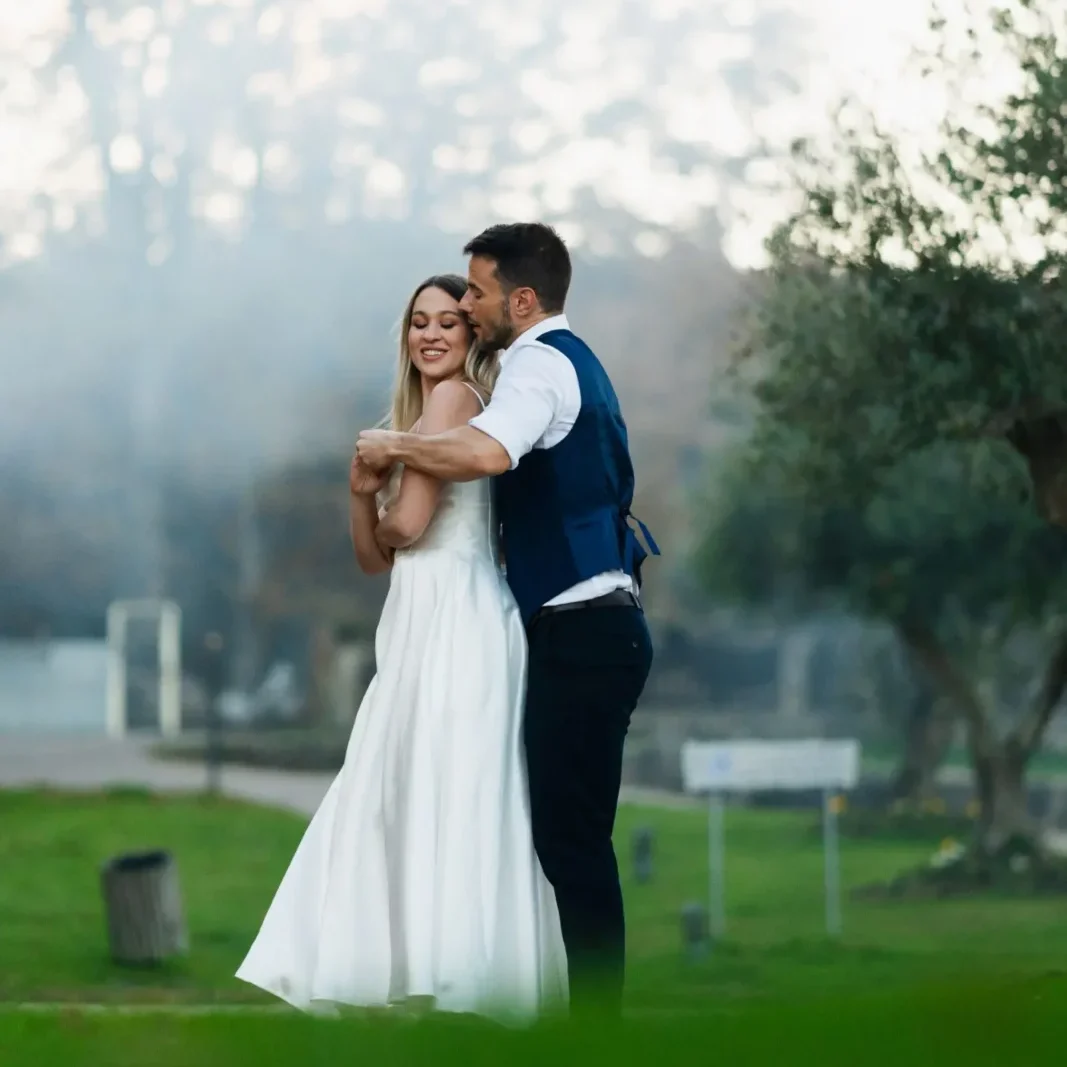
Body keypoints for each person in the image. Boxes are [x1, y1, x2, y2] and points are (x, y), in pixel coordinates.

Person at [236, 274, 568, 1022]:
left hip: (456, 618)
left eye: (449, 322)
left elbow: (408, 527)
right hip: (422, 618)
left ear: (473, 335)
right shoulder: (408, 418)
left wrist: (374, 489)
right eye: (418, 322)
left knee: (421, 787)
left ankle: (434, 981)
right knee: (425, 789)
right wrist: (362, 493)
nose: (430, 335)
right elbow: (373, 558)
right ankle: (438, 980)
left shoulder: (453, 404)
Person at [356, 223, 658, 1016]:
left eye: (478, 293)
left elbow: (486, 455)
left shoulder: (538, 368)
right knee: (564, 836)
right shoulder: (563, 363)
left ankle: (595, 1028)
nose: (468, 306)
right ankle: (577, 1017)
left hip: (585, 629)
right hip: (584, 628)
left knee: (572, 841)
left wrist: (387, 448)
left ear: (521, 300)